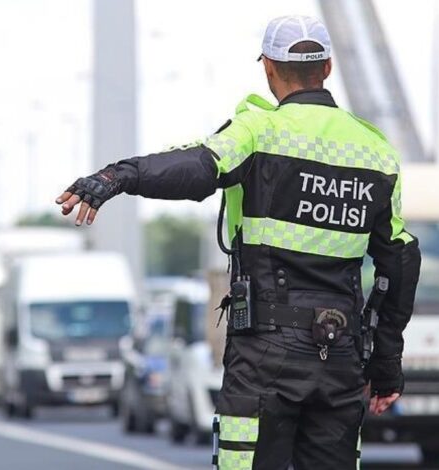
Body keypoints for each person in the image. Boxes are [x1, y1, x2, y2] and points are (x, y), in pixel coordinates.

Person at [56, 15, 421, 470]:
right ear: (327, 67)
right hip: (340, 357)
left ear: (268, 66)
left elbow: (195, 168)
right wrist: (385, 364)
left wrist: (117, 177)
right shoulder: (376, 152)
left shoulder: (258, 131)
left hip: (265, 356)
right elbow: (400, 261)